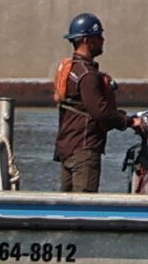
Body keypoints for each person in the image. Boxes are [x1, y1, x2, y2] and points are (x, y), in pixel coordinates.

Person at [49, 14, 120, 194]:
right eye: (99, 36)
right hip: (84, 150)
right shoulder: (88, 75)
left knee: (65, 209)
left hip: (67, 148)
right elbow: (100, 113)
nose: (103, 40)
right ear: (87, 40)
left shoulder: (72, 69)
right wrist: (129, 121)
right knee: (83, 207)